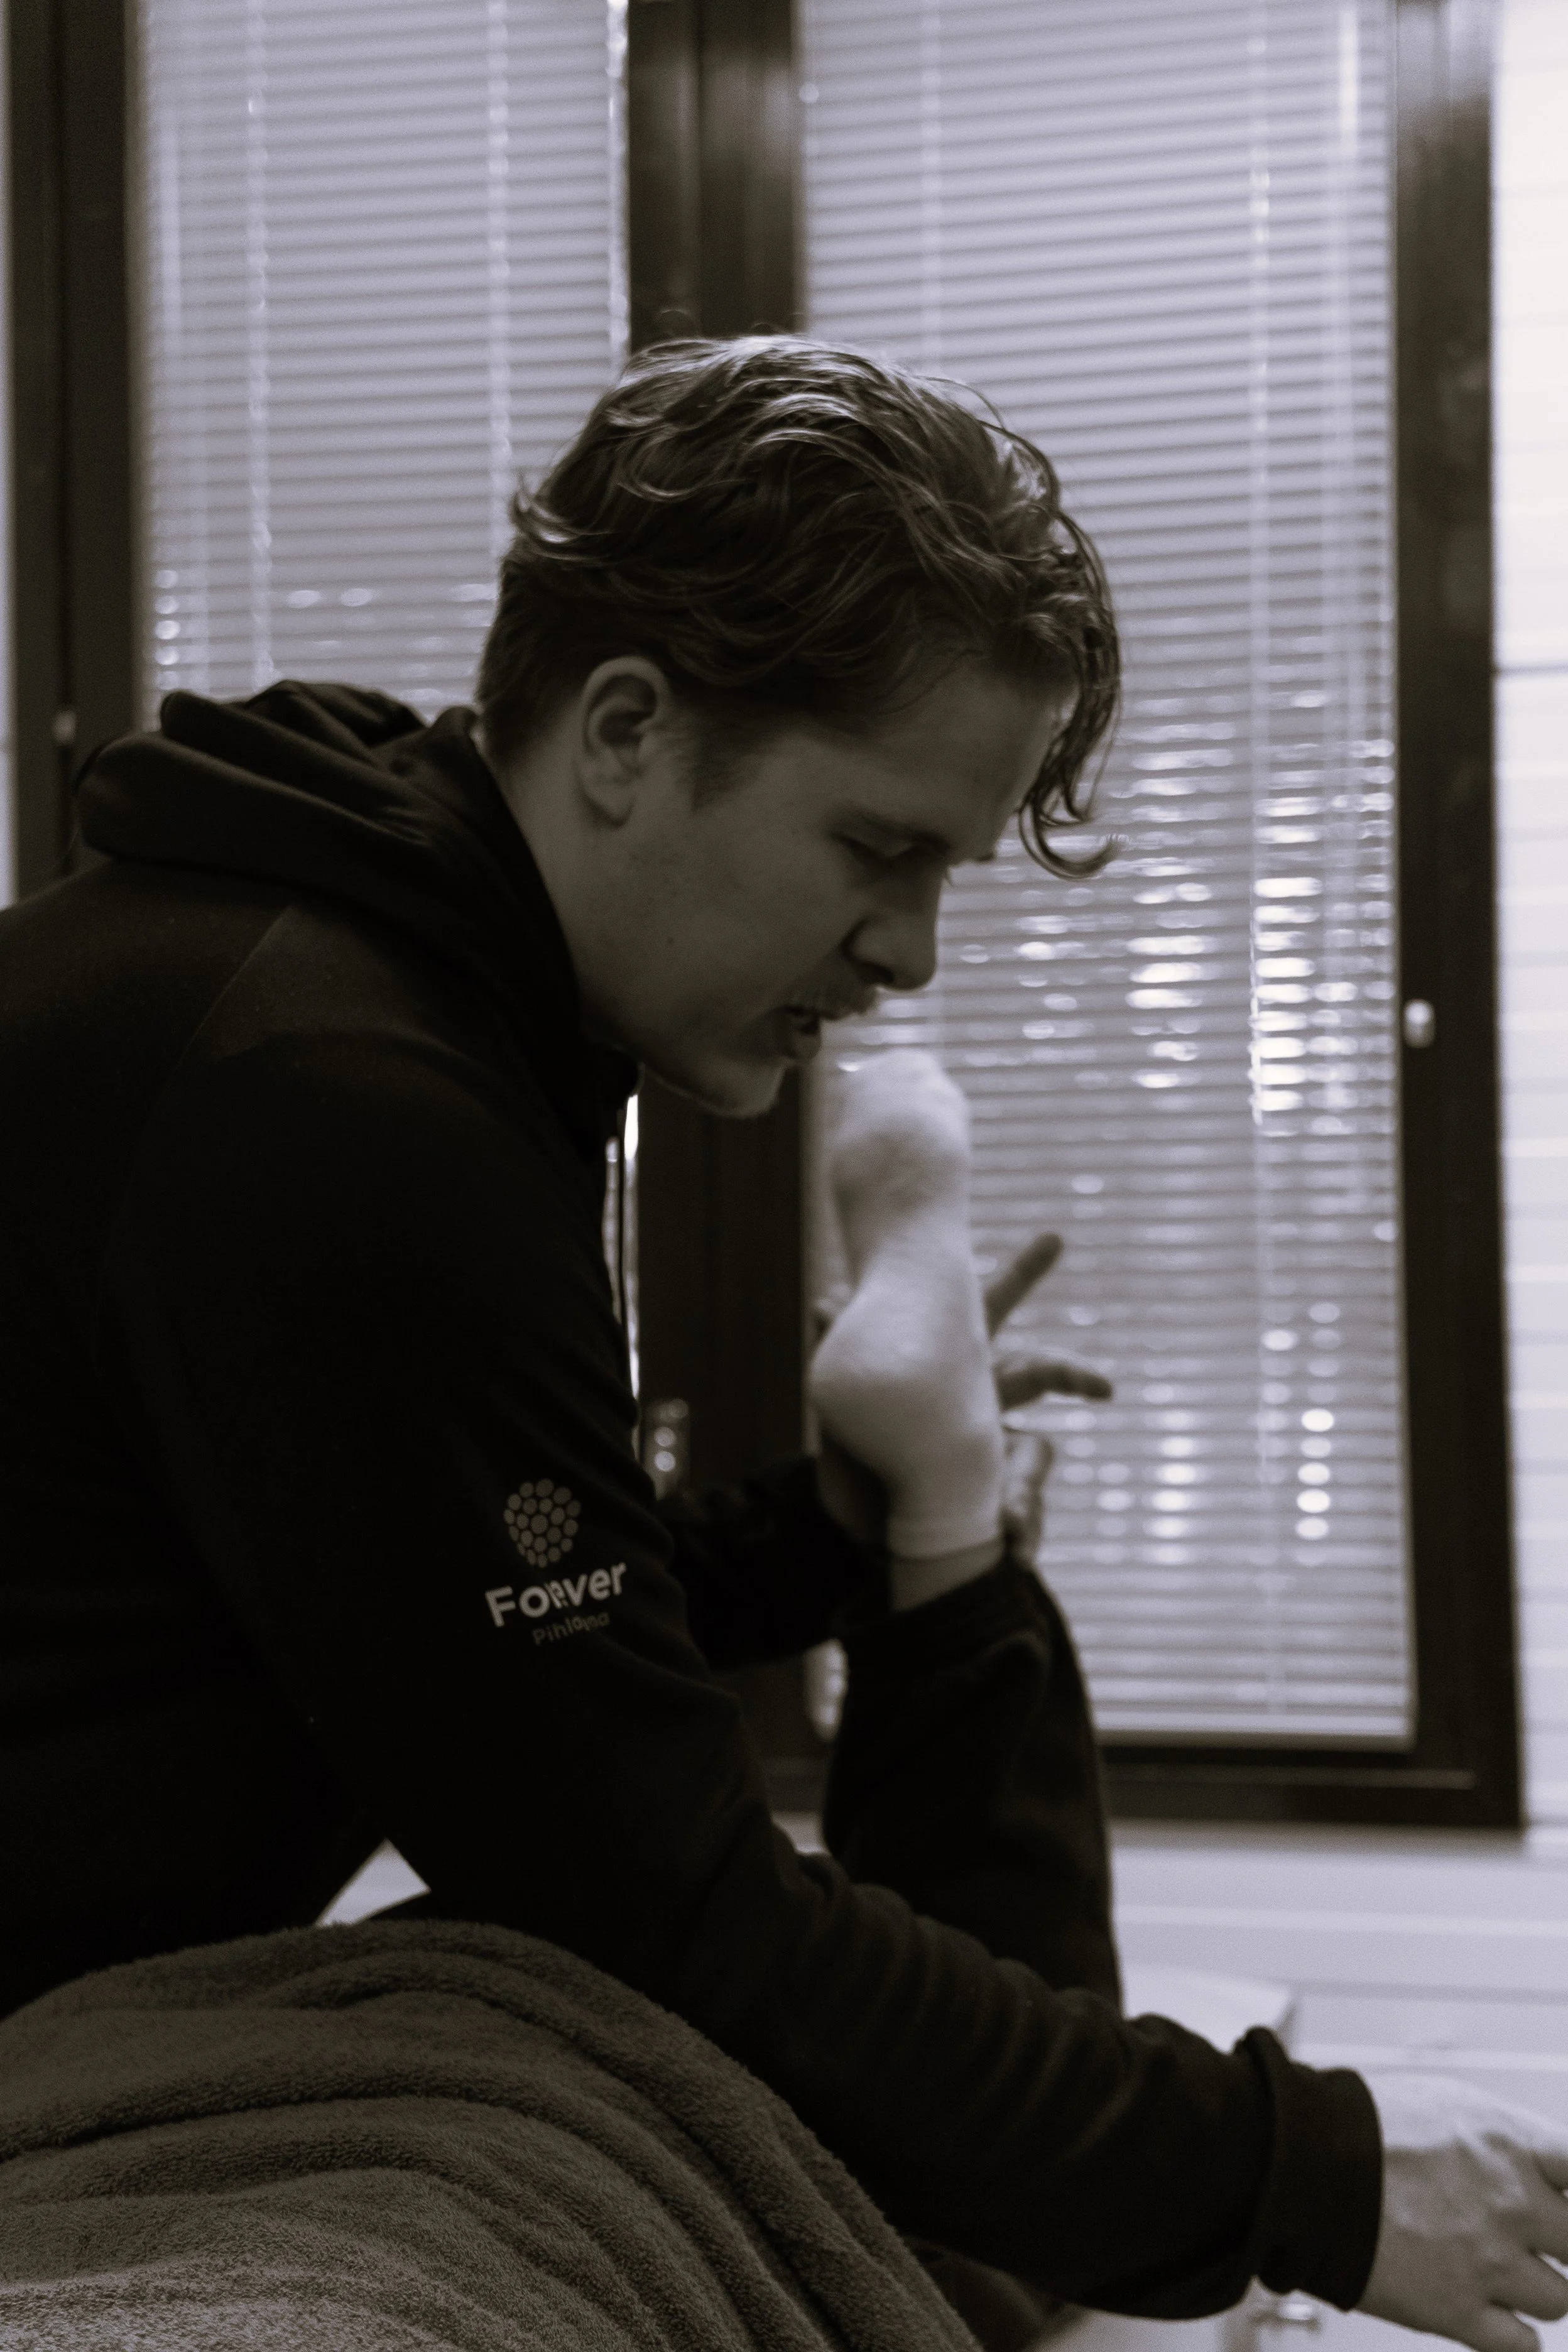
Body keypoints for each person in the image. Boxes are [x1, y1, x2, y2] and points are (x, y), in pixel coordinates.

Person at [1, 336, 1565, 2351]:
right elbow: (663, 1896)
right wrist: (1311, 2177)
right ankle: (943, 1516)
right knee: (730, 2079)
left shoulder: (372, 1007)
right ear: (630, 730)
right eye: (881, 849)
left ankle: (926, 1504)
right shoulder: (336, 1105)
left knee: (829, 2082)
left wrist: (824, 1531)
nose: (913, 951)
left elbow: (467, 1630)